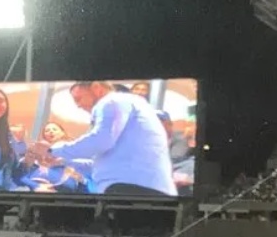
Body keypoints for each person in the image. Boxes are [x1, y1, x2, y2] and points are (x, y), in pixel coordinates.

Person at [28, 81, 176, 196]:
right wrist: (63, 160)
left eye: (79, 99)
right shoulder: (124, 113)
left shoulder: (111, 101)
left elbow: (100, 140)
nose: (78, 105)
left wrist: (52, 150)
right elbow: (97, 162)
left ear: (97, 88)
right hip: (134, 187)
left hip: (131, 189)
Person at [19, 122, 93, 194]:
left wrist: (64, 161)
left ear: (62, 132)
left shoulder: (72, 148)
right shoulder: (40, 151)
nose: (51, 131)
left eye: (55, 129)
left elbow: (89, 164)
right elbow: (23, 170)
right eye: (47, 130)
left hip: (68, 181)